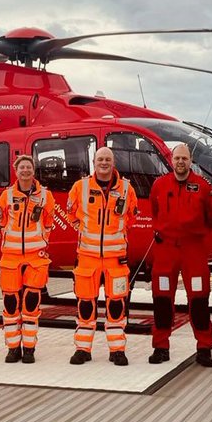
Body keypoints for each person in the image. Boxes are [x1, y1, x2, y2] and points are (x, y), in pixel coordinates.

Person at [147, 144, 212, 367]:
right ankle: (161, 347)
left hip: (193, 249)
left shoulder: (204, 187)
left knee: (199, 300)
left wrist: (192, 236)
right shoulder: (159, 185)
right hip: (166, 249)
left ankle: (204, 347)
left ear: (191, 161)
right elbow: (154, 211)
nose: (180, 162)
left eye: (184, 159)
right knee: (161, 299)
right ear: (171, 160)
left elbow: (210, 218)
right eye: (177, 158)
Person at [66, 146, 138, 366]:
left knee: (116, 306)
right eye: (100, 159)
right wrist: (84, 230)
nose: (104, 163)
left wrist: (115, 234)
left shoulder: (127, 189)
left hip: (116, 260)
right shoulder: (80, 187)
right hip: (87, 258)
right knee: (85, 306)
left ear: (113, 162)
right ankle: (83, 349)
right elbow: (70, 213)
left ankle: (117, 350)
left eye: (107, 159)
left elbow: (132, 216)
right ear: (94, 163)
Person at [0, 154, 55, 364]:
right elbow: (2, 221)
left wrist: (40, 241)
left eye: (29, 167)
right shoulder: (6, 196)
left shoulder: (46, 197)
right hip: (10, 258)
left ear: (33, 170)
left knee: (31, 304)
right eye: (22, 168)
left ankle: (29, 348)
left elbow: (48, 223)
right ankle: (13, 348)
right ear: (16, 171)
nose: (25, 171)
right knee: (11, 304)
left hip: (35, 258)